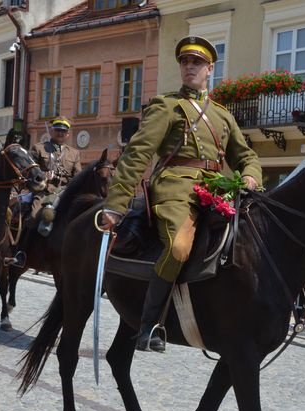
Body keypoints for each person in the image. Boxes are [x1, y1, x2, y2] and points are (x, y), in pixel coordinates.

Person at [100, 36, 262, 352]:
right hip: (176, 189)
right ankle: (149, 326)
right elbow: (137, 154)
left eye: (197, 62)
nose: (190, 67)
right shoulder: (167, 106)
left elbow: (246, 156)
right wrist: (116, 204)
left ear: (210, 69)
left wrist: (251, 177)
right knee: (178, 248)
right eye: (185, 62)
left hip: (217, 191)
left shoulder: (222, 115)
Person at [10, 116, 81, 267]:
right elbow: (28, 171)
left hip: (65, 192)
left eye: (63, 131)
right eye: (57, 130)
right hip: (44, 190)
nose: (60, 133)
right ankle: (21, 253)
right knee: (34, 217)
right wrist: (43, 175)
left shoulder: (74, 153)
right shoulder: (39, 148)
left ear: (68, 134)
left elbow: (78, 177)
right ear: (52, 131)